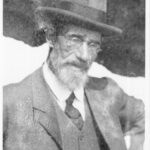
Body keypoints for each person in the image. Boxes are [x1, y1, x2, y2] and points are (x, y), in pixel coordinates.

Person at [3, 0, 144, 150]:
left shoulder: (107, 92)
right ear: (51, 36)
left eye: (93, 44)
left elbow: (142, 115)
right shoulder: (8, 103)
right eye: (75, 39)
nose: (84, 56)